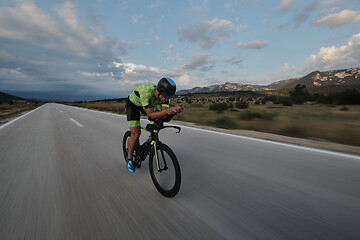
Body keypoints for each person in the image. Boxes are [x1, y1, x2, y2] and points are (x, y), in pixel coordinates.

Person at [125, 77, 183, 172]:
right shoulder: (146, 92)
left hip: (149, 104)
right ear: (159, 91)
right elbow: (151, 115)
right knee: (135, 134)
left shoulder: (165, 97)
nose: (167, 99)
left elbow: (164, 114)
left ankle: (150, 140)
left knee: (159, 119)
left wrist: (172, 112)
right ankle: (130, 158)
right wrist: (167, 111)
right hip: (133, 106)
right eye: (165, 96)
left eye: (170, 96)